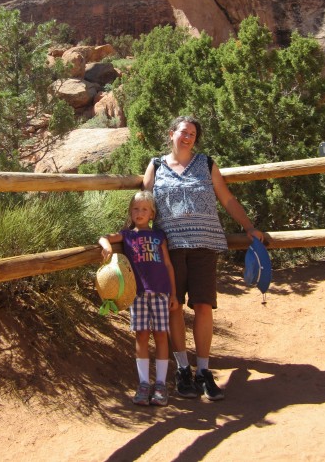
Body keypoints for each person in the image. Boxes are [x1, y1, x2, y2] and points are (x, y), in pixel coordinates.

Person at [143, 115, 264, 401]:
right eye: (184, 132)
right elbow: (144, 202)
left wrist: (248, 227)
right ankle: (183, 369)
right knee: (174, 308)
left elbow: (227, 198)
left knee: (203, 306)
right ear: (171, 133)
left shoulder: (206, 164)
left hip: (204, 244)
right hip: (168, 248)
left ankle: (204, 371)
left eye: (193, 134)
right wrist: (133, 236)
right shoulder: (156, 165)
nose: (188, 138)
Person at [98, 190, 178, 407]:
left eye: (144, 209)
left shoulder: (159, 236)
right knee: (141, 335)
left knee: (161, 335)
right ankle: (144, 383)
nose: (139, 212)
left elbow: (168, 265)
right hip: (138, 294)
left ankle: (160, 384)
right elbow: (104, 237)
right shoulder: (127, 235)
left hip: (161, 292)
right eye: (135, 209)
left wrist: (174, 294)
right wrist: (106, 246)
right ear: (130, 212)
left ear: (152, 214)